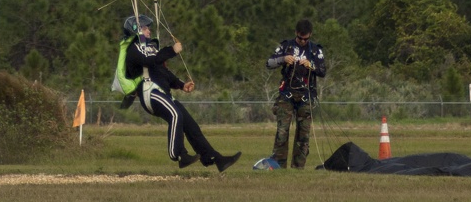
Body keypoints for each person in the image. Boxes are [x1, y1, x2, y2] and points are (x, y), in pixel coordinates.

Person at [118, 14, 241, 172]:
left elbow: (163, 71)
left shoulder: (151, 48)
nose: (149, 30)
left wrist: (181, 85)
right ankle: (178, 155)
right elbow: (149, 61)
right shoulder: (133, 50)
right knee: (175, 115)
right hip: (149, 92)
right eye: (145, 28)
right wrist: (171, 50)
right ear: (136, 30)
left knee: (190, 125)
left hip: (163, 93)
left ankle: (215, 158)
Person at [266, 18, 326, 169]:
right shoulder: (286, 46)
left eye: (306, 39)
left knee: (303, 136)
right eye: (300, 38)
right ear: (296, 34)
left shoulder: (315, 50)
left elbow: (322, 71)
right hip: (286, 94)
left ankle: (298, 168)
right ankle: (279, 166)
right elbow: (269, 63)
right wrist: (283, 59)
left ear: (310, 35)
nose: (303, 41)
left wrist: (311, 65)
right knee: (282, 132)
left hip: (306, 96)